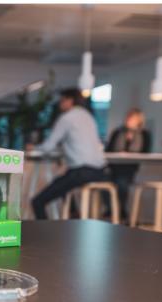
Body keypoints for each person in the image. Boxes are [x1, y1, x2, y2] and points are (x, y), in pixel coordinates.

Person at [31, 88, 106, 219]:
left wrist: (34, 147)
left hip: (81, 172)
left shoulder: (66, 118)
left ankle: (45, 231)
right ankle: (73, 217)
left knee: (37, 202)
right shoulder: (88, 116)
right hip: (101, 171)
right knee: (64, 186)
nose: (60, 104)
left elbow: (48, 146)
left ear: (70, 101)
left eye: (62, 100)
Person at [105, 108, 152, 221]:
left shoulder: (144, 134)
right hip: (114, 166)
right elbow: (108, 149)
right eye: (128, 116)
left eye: (132, 117)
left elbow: (145, 152)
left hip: (131, 167)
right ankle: (113, 209)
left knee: (122, 182)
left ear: (139, 120)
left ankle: (118, 210)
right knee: (102, 182)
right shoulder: (117, 132)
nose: (128, 119)